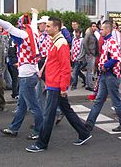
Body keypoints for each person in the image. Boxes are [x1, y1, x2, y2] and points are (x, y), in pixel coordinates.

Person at [25, 17, 92, 153]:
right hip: (54, 83)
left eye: (49, 26)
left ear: (56, 28)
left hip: (55, 85)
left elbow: (65, 68)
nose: (46, 28)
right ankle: (84, 133)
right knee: (66, 110)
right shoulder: (56, 41)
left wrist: (62, 87)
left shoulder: (60, 43)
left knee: (48, 115)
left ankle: (41, 144)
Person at [0, 9, 43, 140]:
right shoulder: (33, 32)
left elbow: (9, 26)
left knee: (34, 107)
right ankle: (13, 128)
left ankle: (39, 131)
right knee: (22, 106)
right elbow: (34, 23)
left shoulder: (24, 34)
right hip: (30, 74)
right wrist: (35, 14)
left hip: (27, 76)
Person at [85, 20, 121, 132]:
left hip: (110, 75)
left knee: (115, 101)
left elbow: (116, 57)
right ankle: (89, 123)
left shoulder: (112, 42)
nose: (101, 30)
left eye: (103, 29)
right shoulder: (106, 42)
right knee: (99, 100)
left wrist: (105, 66)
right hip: (105, 75)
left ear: (108, 30)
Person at [82, 22, 99, 91]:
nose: (94, 27)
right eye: (93, 26)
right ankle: (90, 85)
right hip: (91, 54)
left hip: (93, 54)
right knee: (90, 71)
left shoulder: (93, 34)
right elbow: (84, 43)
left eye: (95, 26)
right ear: (90, 27)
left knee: (89, 70)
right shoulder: (89, 34)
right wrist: (88, 53)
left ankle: (87, 84)